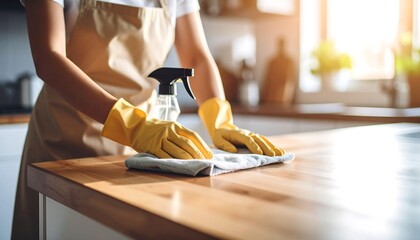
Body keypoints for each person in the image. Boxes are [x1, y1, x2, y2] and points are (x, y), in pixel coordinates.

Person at [13, 0, 285, 239]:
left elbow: (196, 57)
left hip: (138, 155)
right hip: (62, 149)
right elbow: (49, 57)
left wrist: (220, 119)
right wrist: (133, 125)